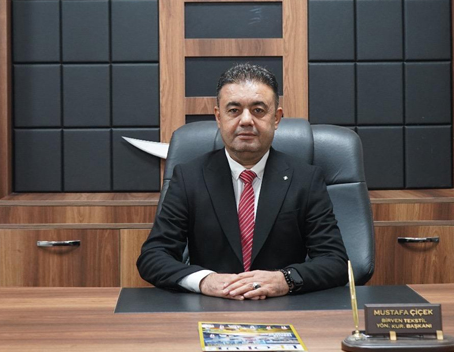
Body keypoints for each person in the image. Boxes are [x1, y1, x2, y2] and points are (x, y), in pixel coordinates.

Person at [137, 64, 348, 300]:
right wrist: (204, 280)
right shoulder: (189, 177)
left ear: (276, 118)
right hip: (210, 307)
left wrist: (285, 279)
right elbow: (153, 257)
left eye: (258, 110)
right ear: (219, 117)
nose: (246, 120)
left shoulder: (306, 179)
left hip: (283, 307)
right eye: (234, 110)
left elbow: (335, 261)